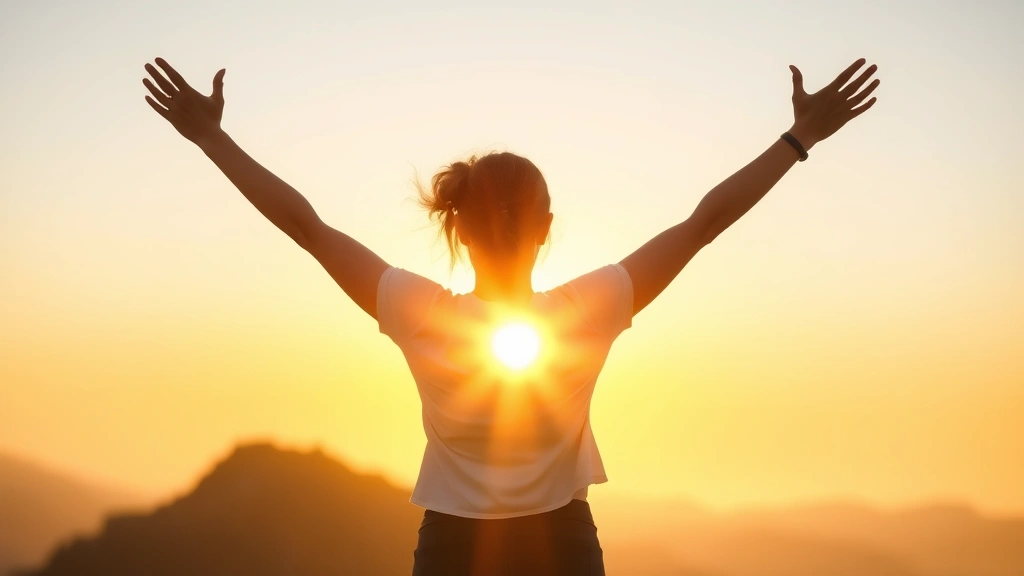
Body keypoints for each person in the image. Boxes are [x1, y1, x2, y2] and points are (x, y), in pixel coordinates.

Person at [142, 57, 879, 576]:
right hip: (563, 543)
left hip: (452, 550)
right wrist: (798, 140)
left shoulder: (417, 311)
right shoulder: (587, 312)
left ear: (459, 229)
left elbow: (306, 226)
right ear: (546, 226)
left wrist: (211, 138)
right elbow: (702, 224)